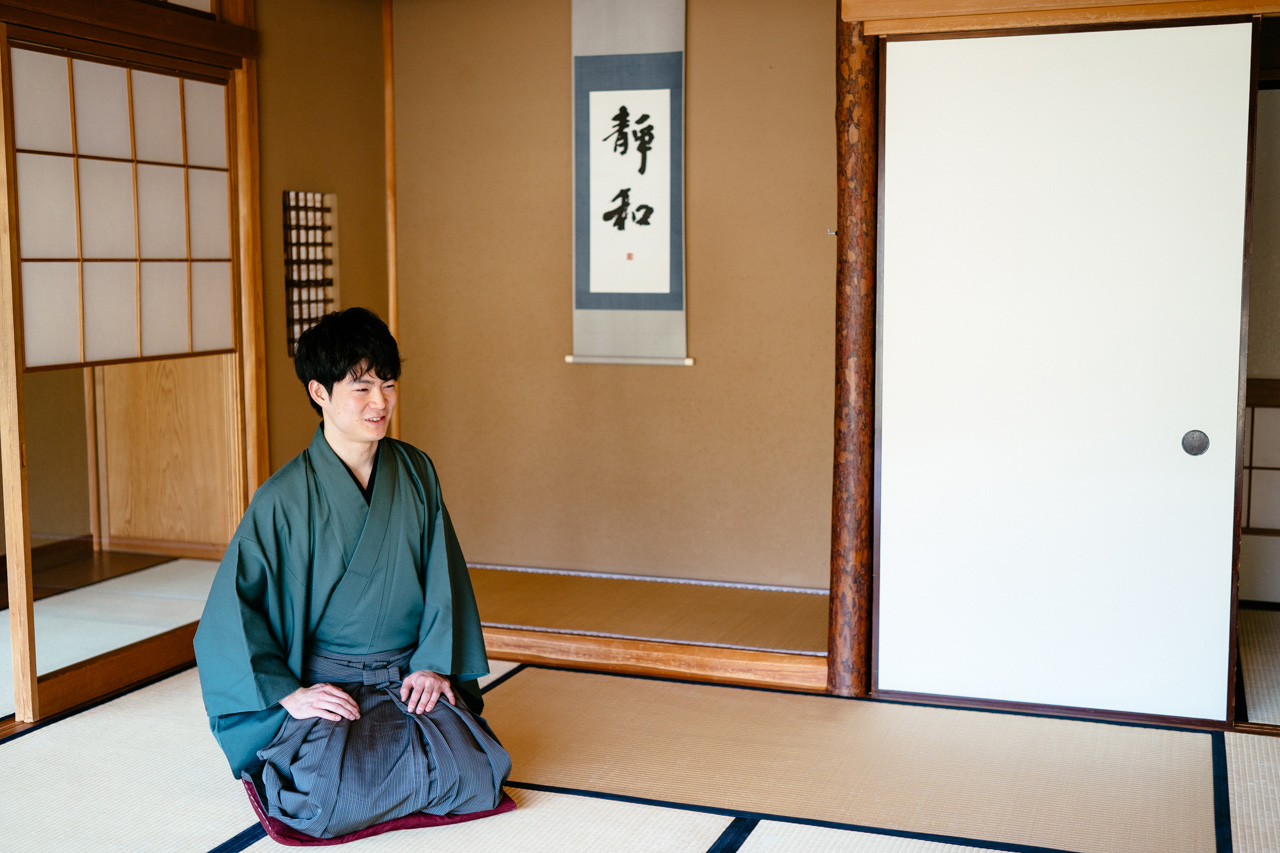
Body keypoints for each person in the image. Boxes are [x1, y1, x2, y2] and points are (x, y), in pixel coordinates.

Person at [194, 307, 510, 840]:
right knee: (322, 801)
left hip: (410, 677)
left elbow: (443, 577)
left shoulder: (416, 471)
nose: (380, 402)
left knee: (477, 775)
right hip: (331, 685)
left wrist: (434, 665)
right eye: (361, 388)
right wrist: (288, 693)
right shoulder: (283, 499)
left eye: (387, 385)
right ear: (319, 393)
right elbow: (232, 615)